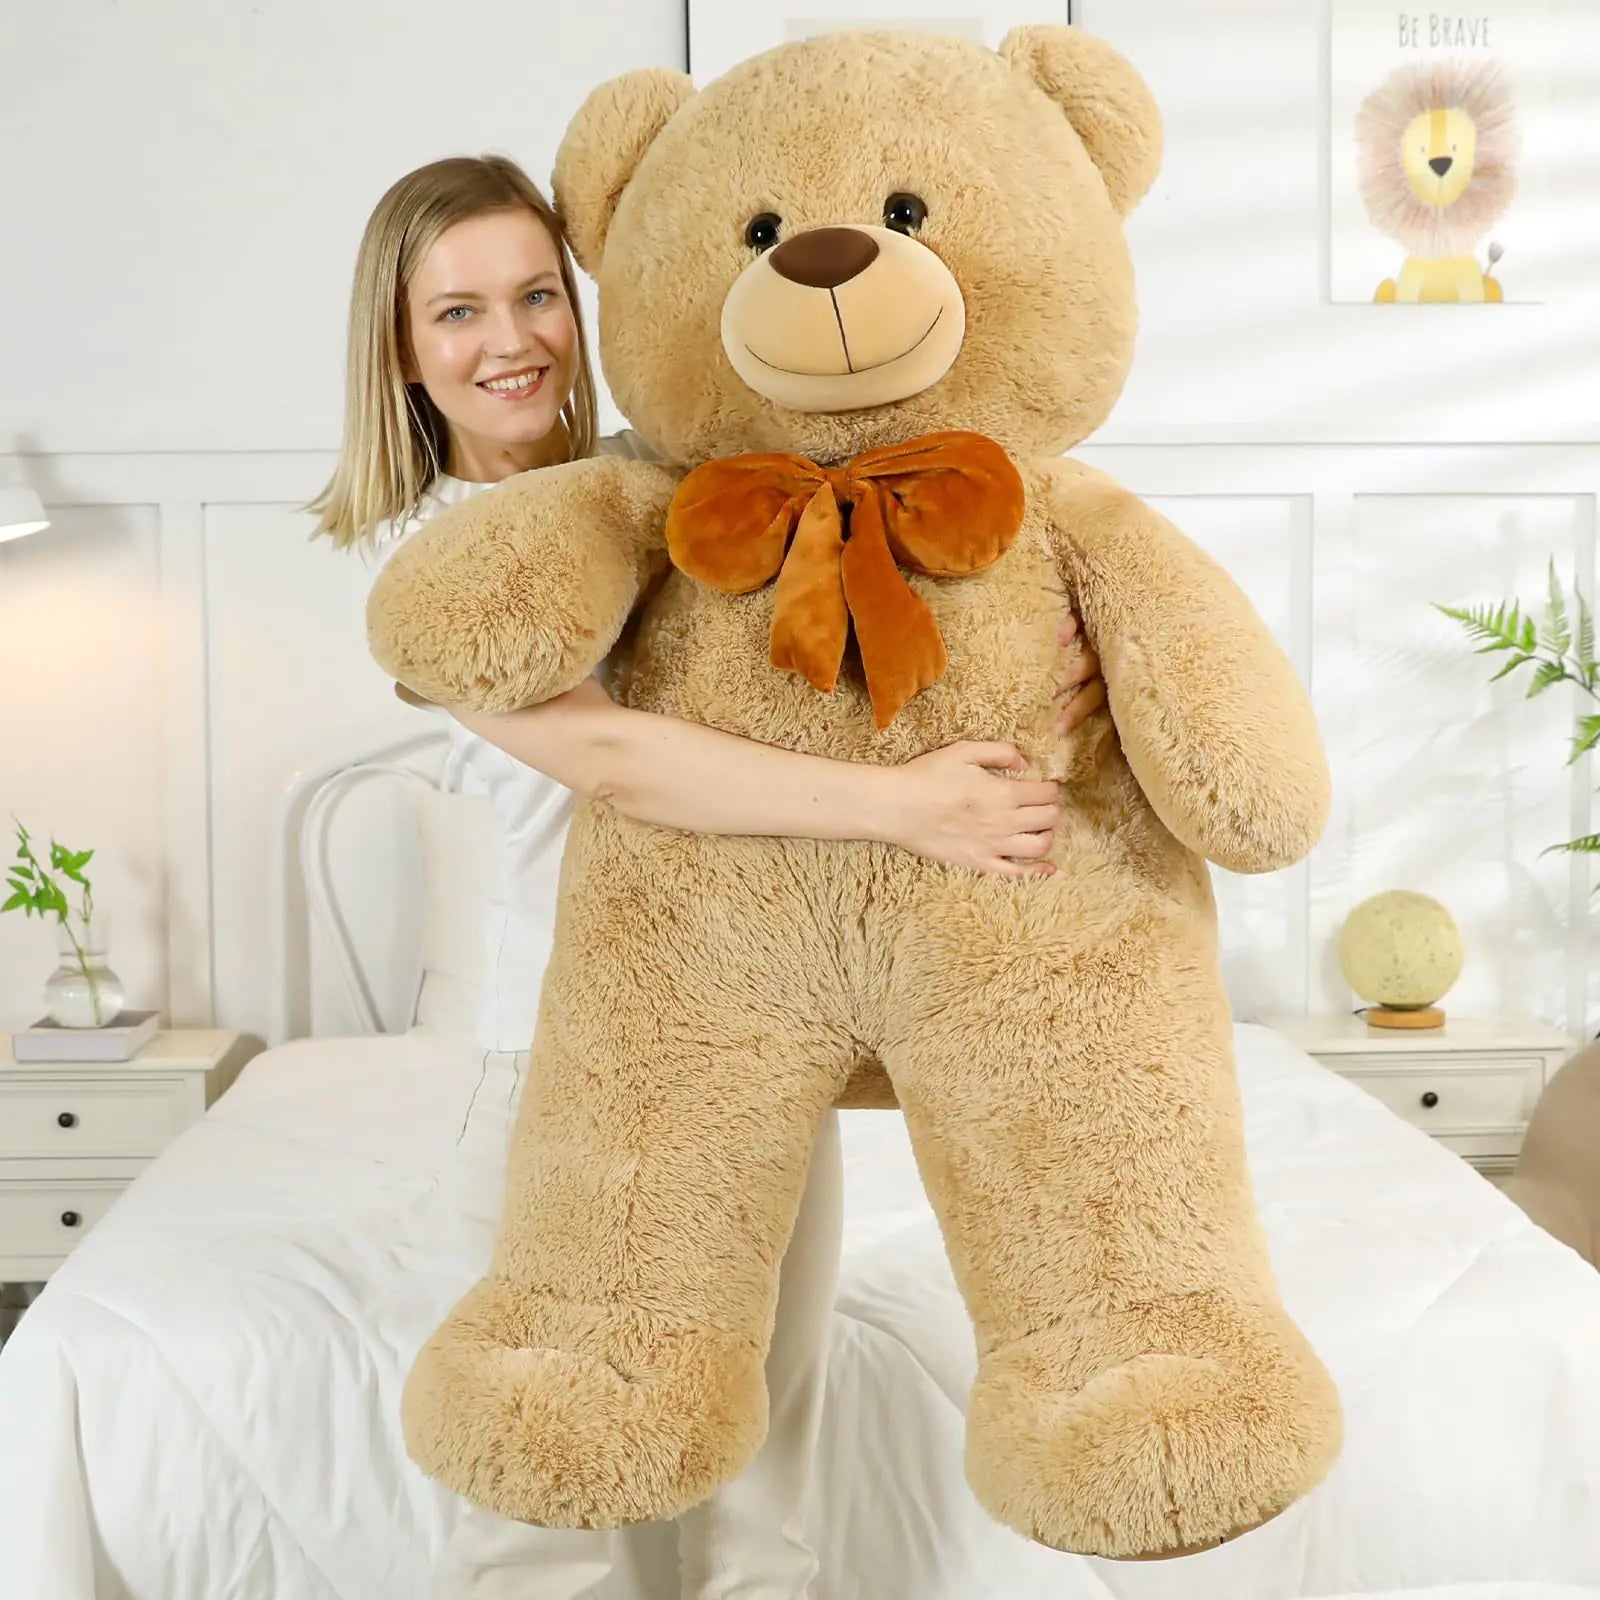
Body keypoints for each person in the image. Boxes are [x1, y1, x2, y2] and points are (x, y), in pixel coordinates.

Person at [312, 153, 1105, 1600]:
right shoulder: (436, 567)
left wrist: (1060, 657)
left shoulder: (681, 490)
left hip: (753, 1018)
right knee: (545, 1497)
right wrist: (906, 810)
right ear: (402, 354)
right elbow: (618, 760)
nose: (511, 341)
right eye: (458, 313)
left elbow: (860, 617)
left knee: (763, 1471)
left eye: (538, 295)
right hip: (559, 1055)